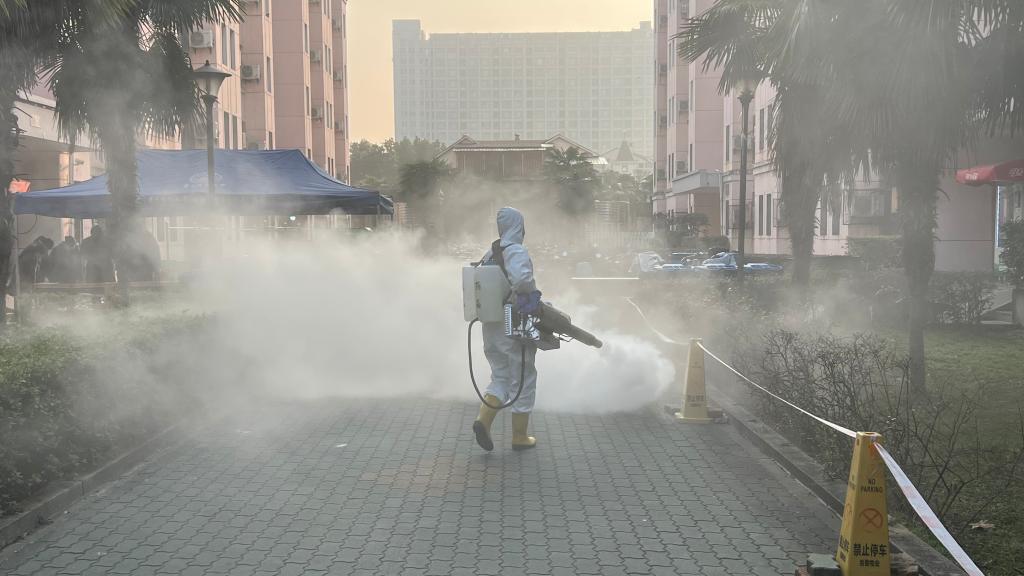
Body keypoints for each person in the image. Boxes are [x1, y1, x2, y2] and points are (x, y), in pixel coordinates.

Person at [473, 207, 542, 451]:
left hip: (490, 324)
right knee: (523, 376)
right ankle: (520, 436)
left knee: (500, 375)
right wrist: (530, 296)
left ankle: (483, 420)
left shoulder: (490, 254)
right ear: (518, 226)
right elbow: (522, 281)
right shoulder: (516, 251)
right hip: (512, 322)